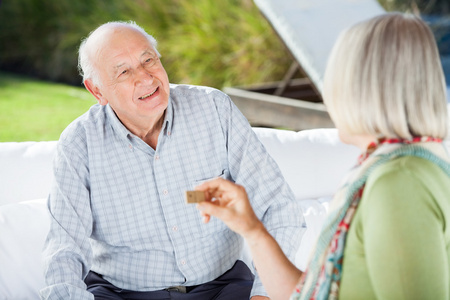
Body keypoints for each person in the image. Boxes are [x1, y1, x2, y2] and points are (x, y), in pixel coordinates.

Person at [40, 21, 305, 300]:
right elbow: (64, 250)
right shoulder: (78, 144)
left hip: (224, 287)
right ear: (97, 92)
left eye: (148, 60)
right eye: (124, 72)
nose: (145, 78)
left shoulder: (214, 110)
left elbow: (279, 207)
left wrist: (264, 294)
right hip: (122, 292)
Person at [196, 12, 450, 300]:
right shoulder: (399, 163)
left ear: (360, 88)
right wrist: (252, 228)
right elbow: (307, 293)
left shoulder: (399, 182)